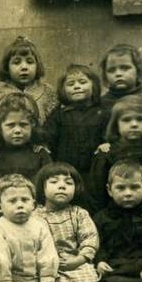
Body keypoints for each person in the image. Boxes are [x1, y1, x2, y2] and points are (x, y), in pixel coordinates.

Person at [88, 95, 142, 213]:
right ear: (116, 124)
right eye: (126, 120)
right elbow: (96, 196)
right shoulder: (106, 155)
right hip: (113, 219)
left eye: (140, 119)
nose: (134, 124)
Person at [0, 93, 52, 223]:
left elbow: (46, 189)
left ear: (33, 127)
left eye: (23, 125)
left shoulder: (40, 154)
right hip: (1, 216)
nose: (17, 130)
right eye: (11, 125)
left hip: (35, 215)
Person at [44, 63, 110, 200]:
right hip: (66, 171)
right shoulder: (59, 114)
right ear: (63, 90)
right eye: (70, 84)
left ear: (94, 86)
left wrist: (107, 143)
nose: (77, 86)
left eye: (82, 82)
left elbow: (110, 134)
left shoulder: (102, 112)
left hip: (93, 172)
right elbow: (48, 136)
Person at [97, 43, 142, 132]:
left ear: (138, 71)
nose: (118, 74)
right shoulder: (103, 101)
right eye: (111, 70)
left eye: (125, 68)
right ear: (105, 75)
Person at [0, 36, 58, 125]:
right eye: (16, 62)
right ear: (7, 67)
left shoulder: (48, 93)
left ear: (37, 66)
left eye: (30, 62)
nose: (24, 67)